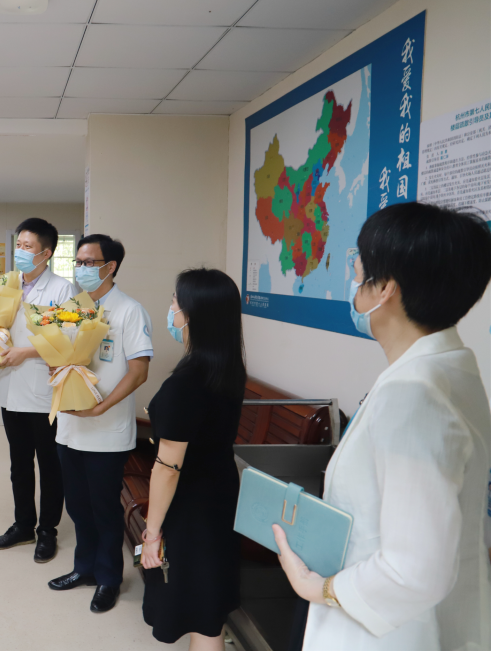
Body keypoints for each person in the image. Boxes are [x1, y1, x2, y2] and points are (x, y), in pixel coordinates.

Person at [272, 202, 491, 651]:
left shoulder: (414, 395)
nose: (354, 277)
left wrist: (321, 589)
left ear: (386, 287)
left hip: (386, 634)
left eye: (359, 267)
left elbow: (416, 570)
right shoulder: (449, 369)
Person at [141, 268, 246, 651]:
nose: (171, 309)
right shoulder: (226, 368)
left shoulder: (186, 383)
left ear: (191, 314)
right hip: (220, 497)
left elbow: (168, 469)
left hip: (190, 510)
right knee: (208, 611)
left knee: (197, 608)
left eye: (175, 302)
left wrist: (152, 534)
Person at [48, 234, 153, 613]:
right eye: (77, 261)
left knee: (104, 510)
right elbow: (57, 352)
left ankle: (109, 578)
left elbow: (139, 371)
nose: (81, 268)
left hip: (106, 431)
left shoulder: (130, 311)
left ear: (111, 267)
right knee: (77, 506)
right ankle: (85, 569)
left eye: (89, 262)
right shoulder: (72, 308)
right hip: (69, 426)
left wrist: (101, 407)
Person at [0, 218, 74, 562]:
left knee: (49, 464)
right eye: (18, 245)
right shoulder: (7, 285)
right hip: (10, 387)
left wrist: (25, 352)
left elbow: (66, 339)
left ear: (45, 253)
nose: (20, 251)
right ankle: (23, 525)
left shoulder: (62, 290)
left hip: (42, 390)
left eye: (27, 246)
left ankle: (47, 530)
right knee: (19, 462)